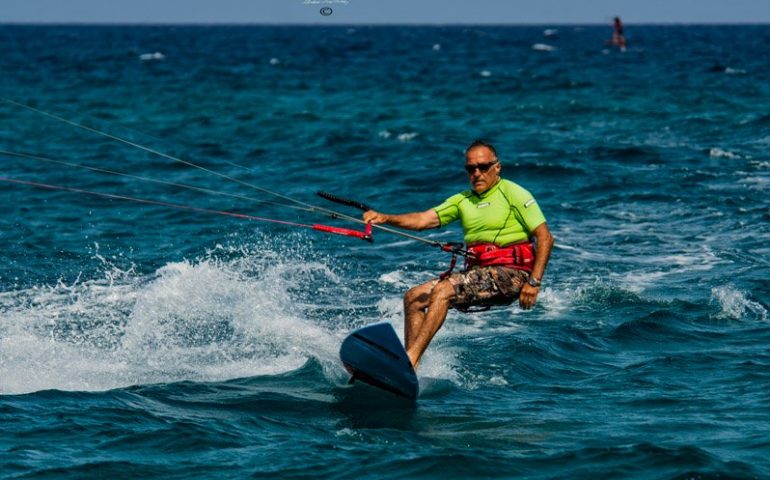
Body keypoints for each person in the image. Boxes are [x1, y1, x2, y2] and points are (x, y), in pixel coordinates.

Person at [363, 140, 554, 367]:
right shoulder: (462, 200)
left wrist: (534, 282)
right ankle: (412, 368)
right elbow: (423, 220)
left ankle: (409, 361)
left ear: (497, 167)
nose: (477, 173)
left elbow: (545, 238)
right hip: (479, 274)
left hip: (512, 275)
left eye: (483, 167)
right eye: (470, 169)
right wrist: (385, 218)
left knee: (444, 290)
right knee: (413, 298)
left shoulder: (514, 193)